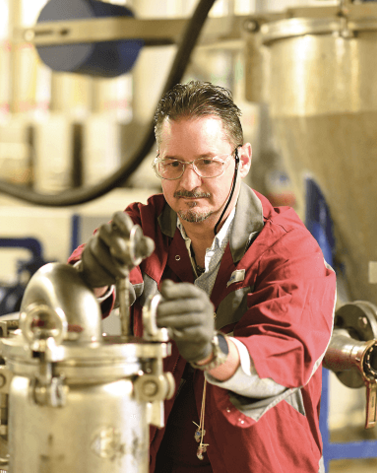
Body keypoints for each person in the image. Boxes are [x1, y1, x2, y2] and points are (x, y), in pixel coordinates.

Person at [69, 81, 336, 473]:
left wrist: (213, 350)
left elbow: (285, 355)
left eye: (207, 162)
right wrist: (91, 274)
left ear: (242, 160)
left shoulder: (289, 249)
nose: (188, 183)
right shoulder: (142, 228)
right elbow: (67, 296)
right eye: (173, 164)